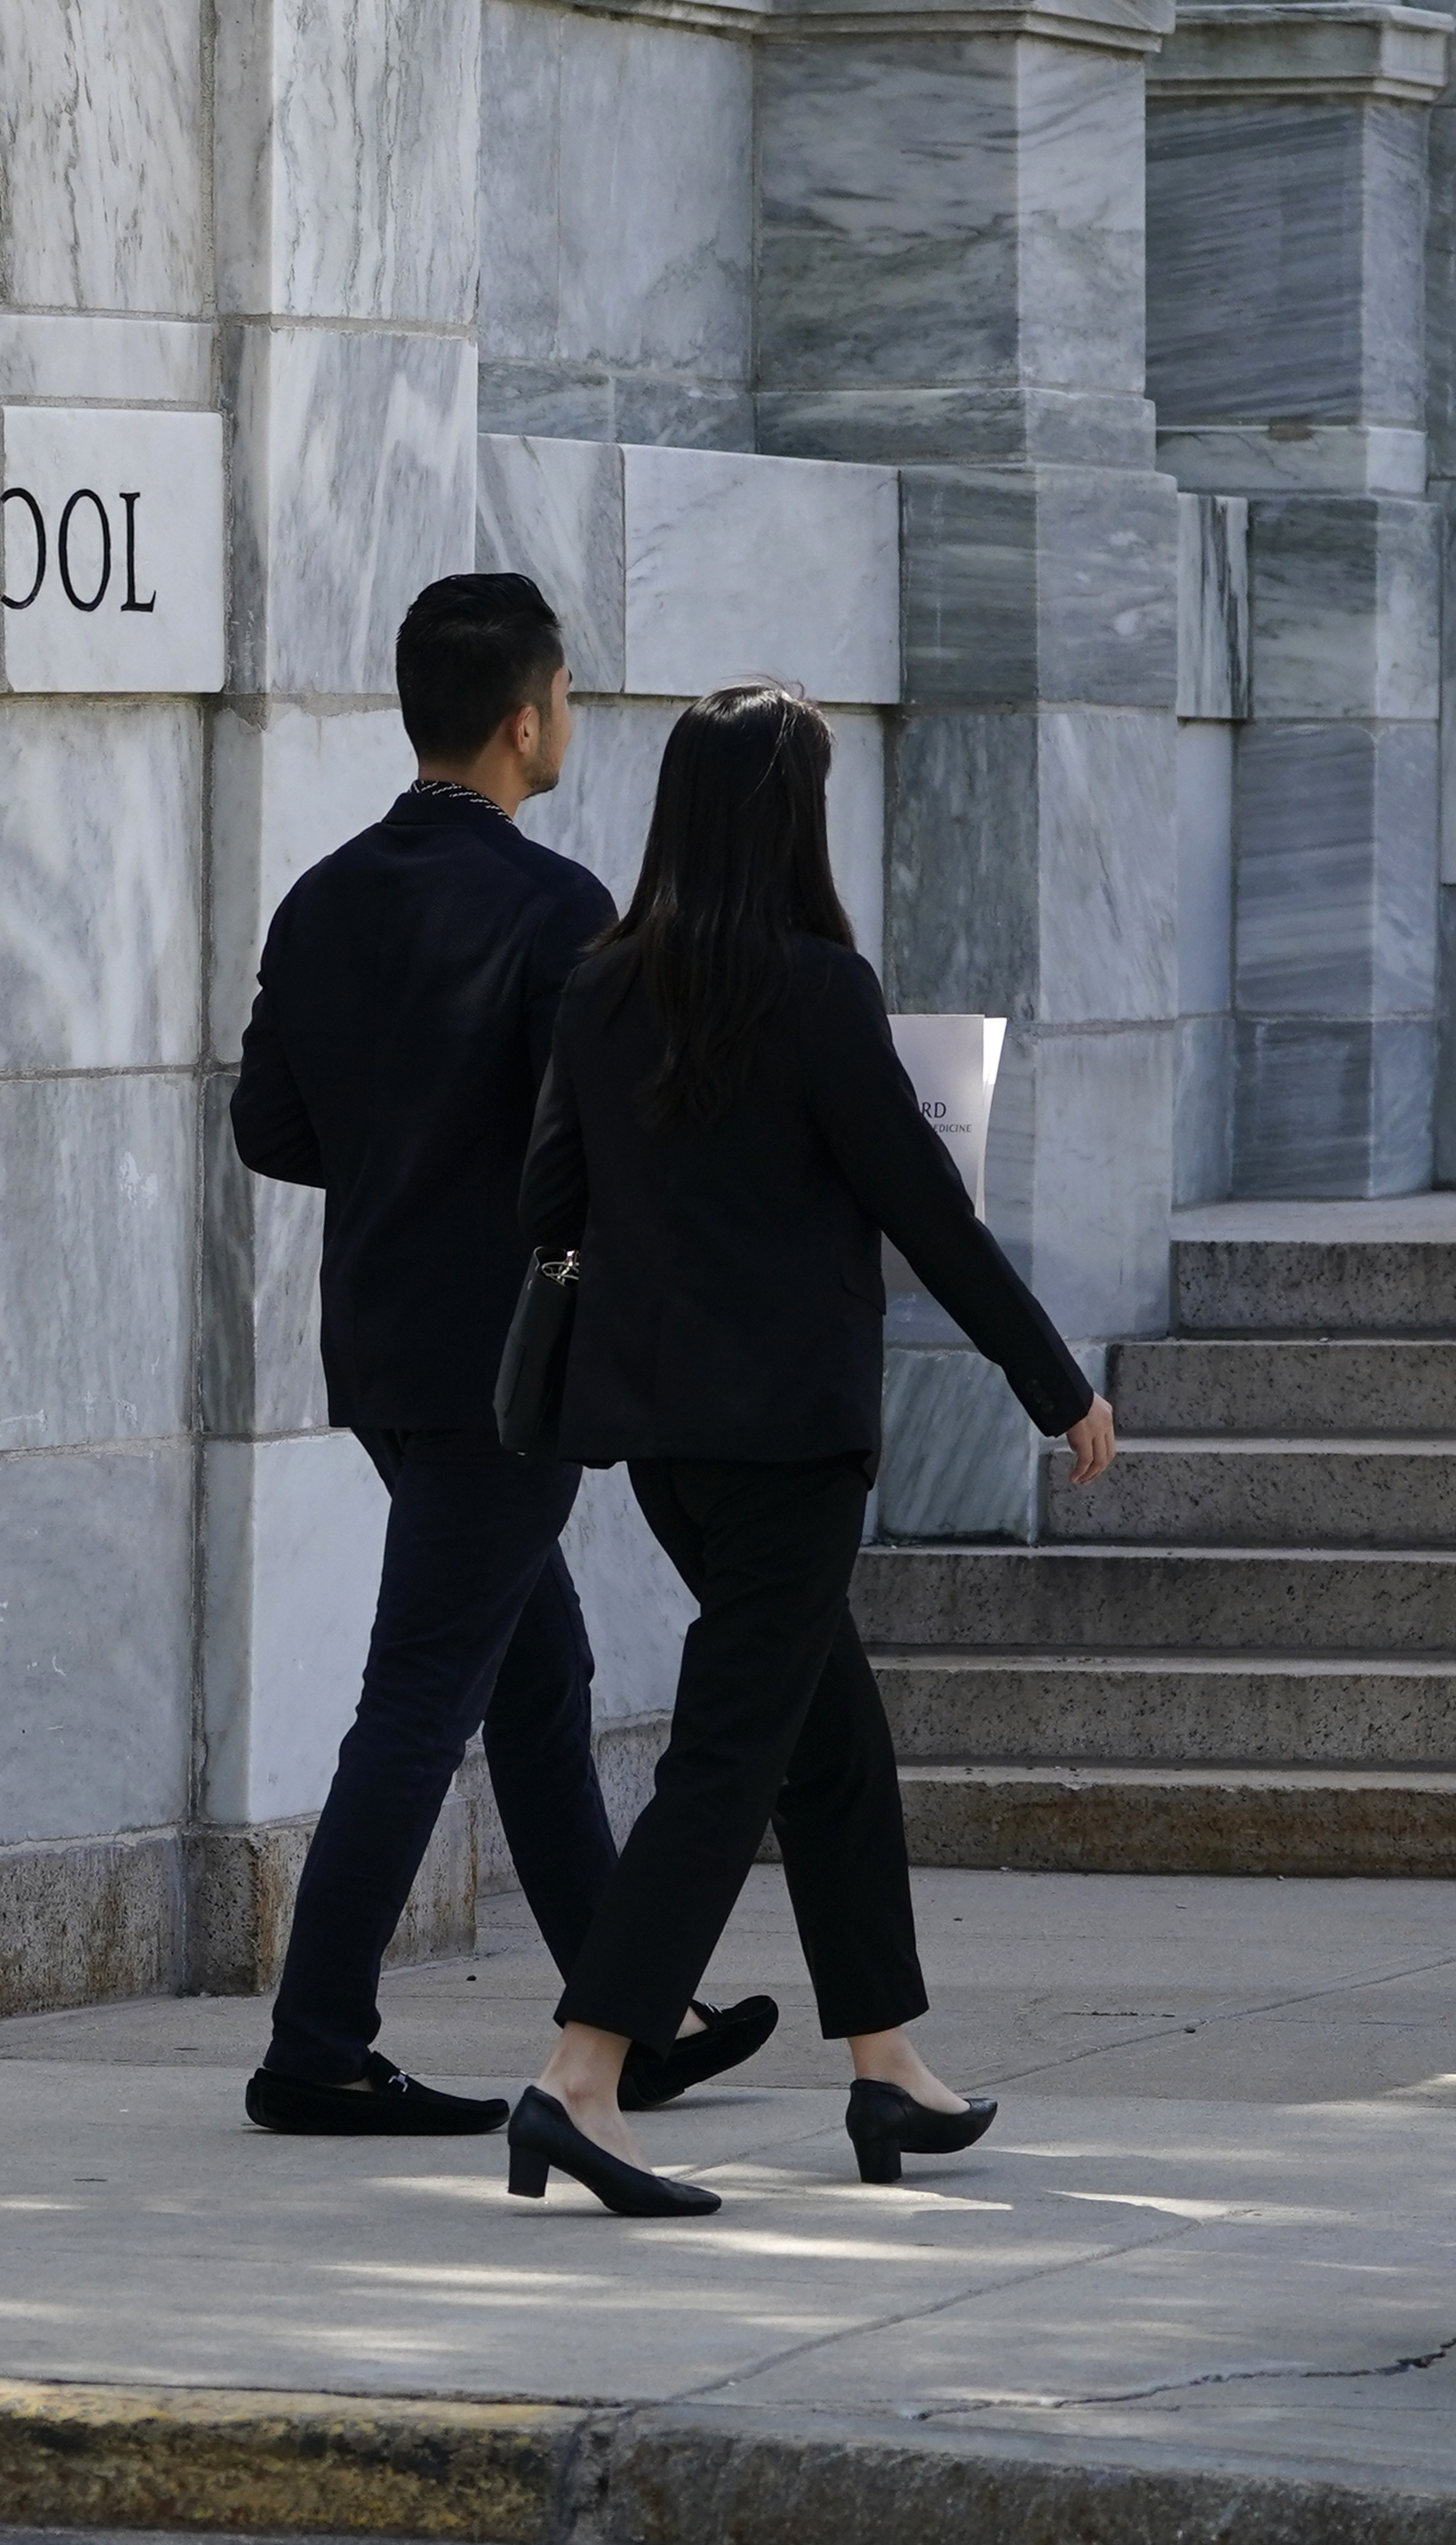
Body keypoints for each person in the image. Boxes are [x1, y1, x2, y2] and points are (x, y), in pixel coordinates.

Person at [505, 682, 1118, 2218]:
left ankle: (884, 2061)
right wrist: (1056, 1386)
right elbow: (929, 1214)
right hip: (788, 1436)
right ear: (792, 815)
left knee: (824, 1740)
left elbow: (546, 1209)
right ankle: (581, 2076)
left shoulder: (599, 986)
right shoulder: (819, 990)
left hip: (658, 1436)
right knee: (730, 1749)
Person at [230, 574, 776, 2138]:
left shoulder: (321, 896)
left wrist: (405, 1153)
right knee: (420, 1697)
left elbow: (269, 1125)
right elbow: (612, 1139)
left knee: (536, 1680)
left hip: (387, 1351)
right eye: (566, 699)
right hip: (512, 1365)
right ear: (526, 717)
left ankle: (634, 2010)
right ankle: (314, 2043)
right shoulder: (555, 905)